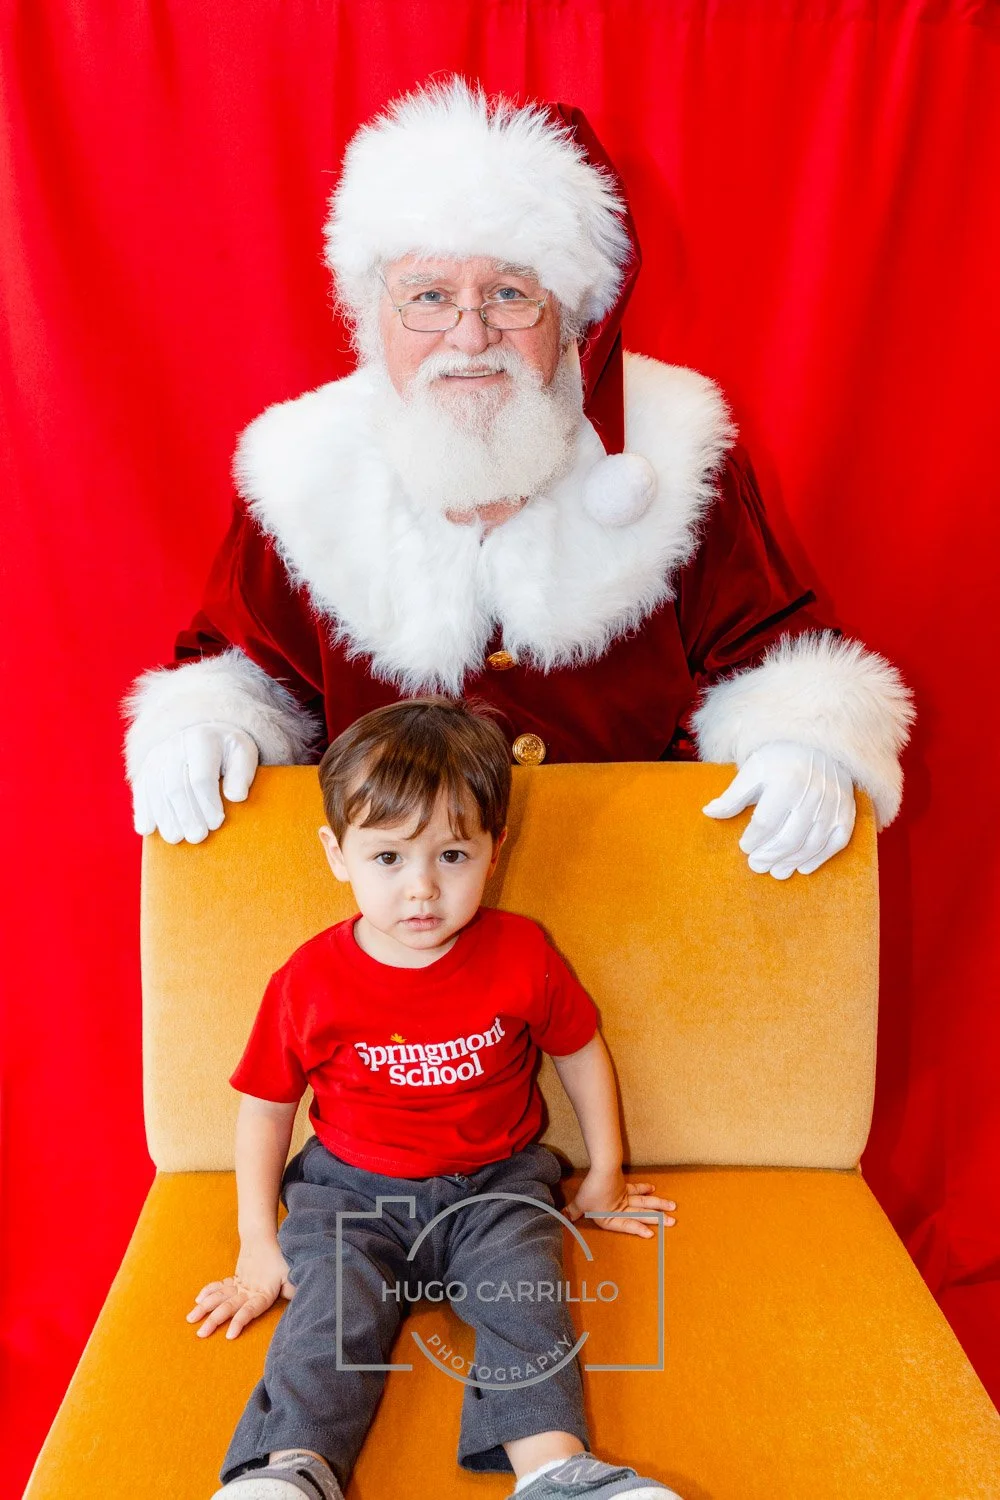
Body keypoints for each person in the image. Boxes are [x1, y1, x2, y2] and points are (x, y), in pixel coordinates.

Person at [124, 77, 914, 879]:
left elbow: (772, 653)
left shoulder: (681, 456)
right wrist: (212, 723)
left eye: (509, 295)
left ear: (572, 316)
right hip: (402, 949)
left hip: (641, 903)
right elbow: (246, 664)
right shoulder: (303, 474)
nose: (470, 337)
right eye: (429, 297)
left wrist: (803, 739)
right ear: (371, 314)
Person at [188, 696, 681, 1500]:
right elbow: (267, 1104)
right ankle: (289, 1470)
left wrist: (606, 1172)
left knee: (530, 1298)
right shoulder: (309, 980)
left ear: (496, 850)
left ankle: (557, 1470)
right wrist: (256, 1238)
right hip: (350, 1192)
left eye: (452, 855)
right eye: (388, 858)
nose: (421, 890)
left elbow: (580, 1050)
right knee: (328, 1318)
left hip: (497, 1184)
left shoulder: (523, 953)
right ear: (337, 852)